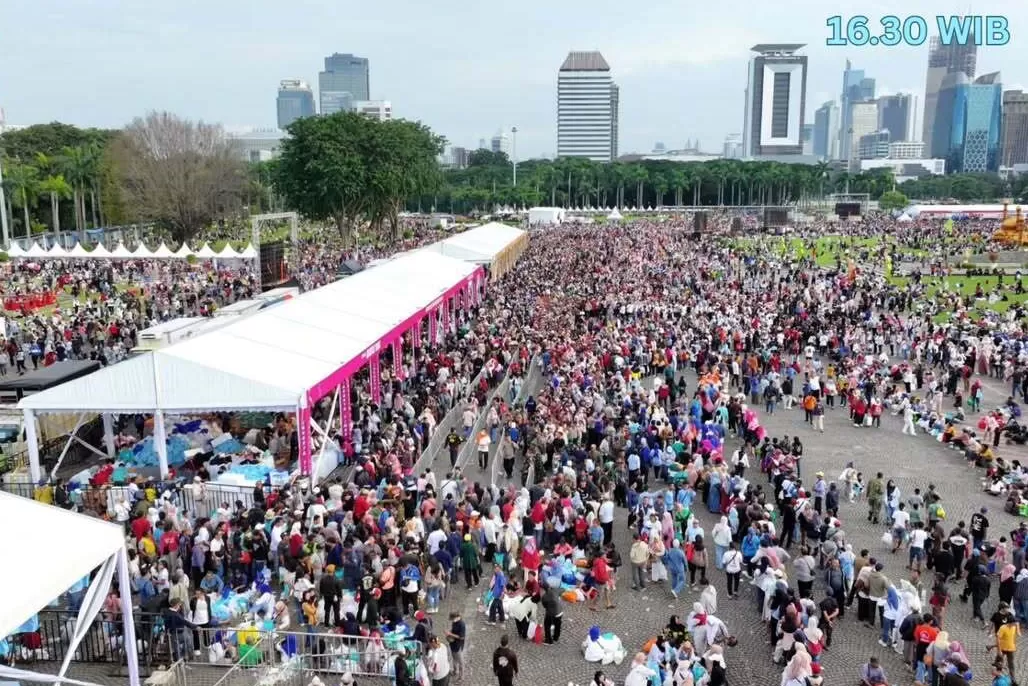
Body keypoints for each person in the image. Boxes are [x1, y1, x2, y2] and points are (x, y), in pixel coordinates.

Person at [446, 611, 467, 682]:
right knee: (454, 658)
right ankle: (455, 671)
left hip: (458, 645)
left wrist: (450, 634)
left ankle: (461, 677)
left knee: (461, 662)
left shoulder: (462, 624)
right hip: (453, 644)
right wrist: (449, 632)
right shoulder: (454, 622)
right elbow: (453, 630)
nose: (452, 621)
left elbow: (462, 637)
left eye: (452, 619)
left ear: (456, 617)